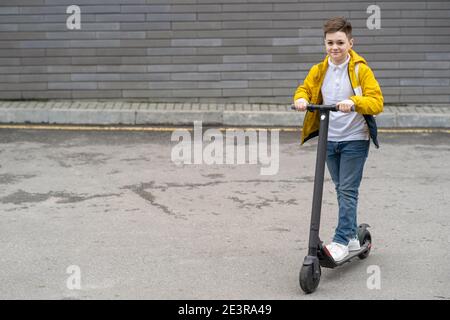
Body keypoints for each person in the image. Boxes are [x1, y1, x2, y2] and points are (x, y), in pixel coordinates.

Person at [292, 17, 383, 262]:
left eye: (340, 42)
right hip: (329, 139)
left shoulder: (360, 69)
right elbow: (305, 88)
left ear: (350, 43)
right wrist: (301, 99)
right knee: (342, 190)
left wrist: (354, 102)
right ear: (325, 44)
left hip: (355, 138)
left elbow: (376, 102)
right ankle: (353, 237)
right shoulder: (319, 70)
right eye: (330, 42)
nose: (335, 47)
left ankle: (342, 240)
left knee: (347, 190)